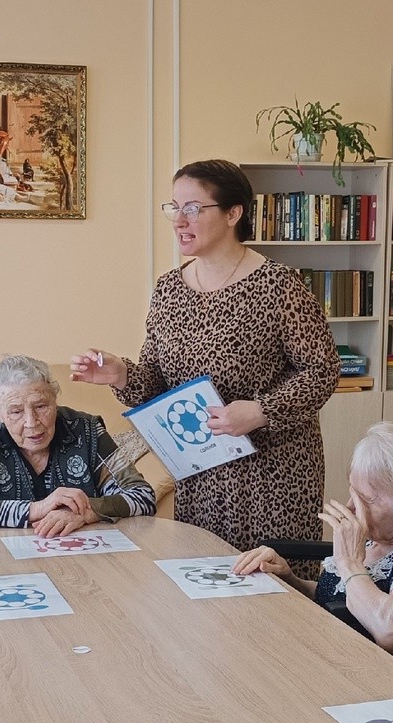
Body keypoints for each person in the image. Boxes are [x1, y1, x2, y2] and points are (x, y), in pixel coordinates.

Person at [70, 158, 339, 554]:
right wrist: (121, 374)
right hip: (200, 473)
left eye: (193, 208)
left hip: (273, 474)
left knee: (273, 584)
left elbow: (323, 371)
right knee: (201, 576)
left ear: (233, 213)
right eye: (174, 208)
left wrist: (261, 411)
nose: (179, 220)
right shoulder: (168, 289)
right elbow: (157, 382)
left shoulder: (279, 285)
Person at [232, 422, 393, 660]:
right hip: (324, 649)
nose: (350, 507)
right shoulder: (374, 540)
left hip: (365, 668)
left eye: (366, 499)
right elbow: (337, 598)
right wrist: (289, 579)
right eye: (352, 493)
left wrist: (349, 563)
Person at [0, 354, 155, 537]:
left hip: (79, 560)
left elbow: (143, 496)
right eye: (16, 411)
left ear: (55, 401)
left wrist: (88, 511)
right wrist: (36, 509)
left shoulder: (86, 431)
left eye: (41, 406)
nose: (31, 422)